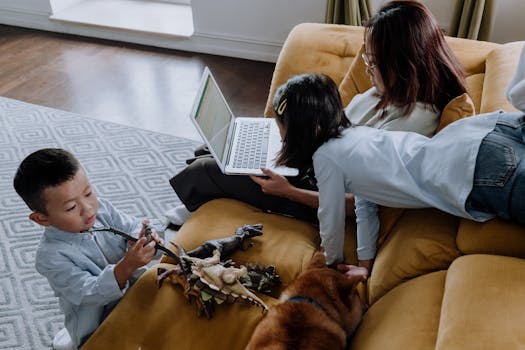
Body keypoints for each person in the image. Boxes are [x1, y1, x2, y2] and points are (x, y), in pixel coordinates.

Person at [167, 1, 466, 234]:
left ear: (403, 65)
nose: (368, 68)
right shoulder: (390, 92)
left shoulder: (413, 123)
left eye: (374, 62)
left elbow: (361, 204)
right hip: (314, 162)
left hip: (315, 192)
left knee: (207, 169)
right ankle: (206, 193)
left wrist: (290, 192)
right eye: (367, 58)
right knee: (214, 150)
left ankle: (197, 200)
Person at [271, 58, 525, 276]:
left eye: (281, 125)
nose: (280, 134)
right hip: (487, 132)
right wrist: (365, 265)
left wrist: (330, 264)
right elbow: (365, 204)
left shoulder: (325, 158)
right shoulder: (356, 136)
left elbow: (330, 218)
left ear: (303, 130)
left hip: (476, 168)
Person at [13, 148, 163, 350]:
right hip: (95, 323)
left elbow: (133, 226)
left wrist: (145, 234)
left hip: (136, 292)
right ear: (42, 219)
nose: (89, 208)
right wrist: (126, 266)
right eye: (71, 208)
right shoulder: (50, 257)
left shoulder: (102, 209)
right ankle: (73, 341)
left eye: (88, 193)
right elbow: (89, 293)